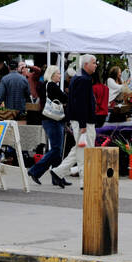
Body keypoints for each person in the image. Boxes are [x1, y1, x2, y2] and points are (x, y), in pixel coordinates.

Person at [52, 55, 98, 184]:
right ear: (86, 65)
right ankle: (85, 180)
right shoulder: (84, 79)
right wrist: (83, 124)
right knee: (86, 150)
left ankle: (58, 171)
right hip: (83, 121)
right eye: (94, 63)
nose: (96, 65)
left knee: (79, 148)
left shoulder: (78, 77)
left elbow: (77, 102)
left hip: (79, 120)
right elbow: (81, 103)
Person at [28, 65, 72, 188]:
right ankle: (35, 171)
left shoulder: (45, 85)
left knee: (57, 150)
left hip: (49, 120)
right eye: (58, 73)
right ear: (52, 74)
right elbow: (65, 98)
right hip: (53, 120)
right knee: (56, 149)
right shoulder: (52, 86)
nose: (60, 75)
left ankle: (57, 177)